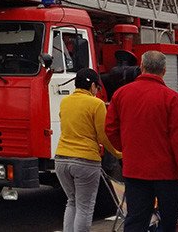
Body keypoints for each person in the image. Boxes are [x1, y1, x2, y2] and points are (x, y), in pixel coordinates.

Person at [105, 50, 178, 232]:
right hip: (167, 174)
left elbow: (110, 129)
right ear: (163, 71)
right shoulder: (172, 99)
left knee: (135, 221)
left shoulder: (121, 94)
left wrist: (128, 148)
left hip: (135, 171)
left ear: (142, 67)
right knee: (169, 222)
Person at [55, 68, 121, 232]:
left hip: (61, 159)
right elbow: (103, 136)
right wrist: (118, 153)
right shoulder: (96, 103)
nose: (97, 91)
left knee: (72, 201)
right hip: (85, 161)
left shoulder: (65, 102)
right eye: (98, 88)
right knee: (85, 206)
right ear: (92, 85)